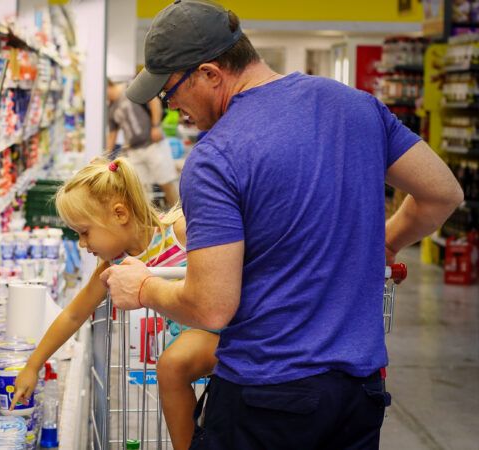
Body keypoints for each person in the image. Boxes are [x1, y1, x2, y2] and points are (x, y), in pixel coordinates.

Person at [101, 2, 464, 449]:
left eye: (169, 91)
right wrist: (387, 242)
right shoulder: (357, 107)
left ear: (210, 74)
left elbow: (211, 307)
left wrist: (143, 288)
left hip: (266, 399)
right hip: (358, 396)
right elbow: (442, 193)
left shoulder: (216, 157)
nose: (171, 106)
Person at [10, 157, 217, 449]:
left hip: (222, 330)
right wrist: (33, 365)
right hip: (193, 339)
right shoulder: (114, 265)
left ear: (119, 214)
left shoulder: (180, 232)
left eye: (84, 232)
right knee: (174, 368)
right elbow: (74, 315)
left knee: (172, 367)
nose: (82, 244)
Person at [107, 79, 180, 205]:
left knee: (166, 183)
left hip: (153, 144)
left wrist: (156, 126)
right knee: (140, 190)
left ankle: (179, 213)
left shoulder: (130, 88)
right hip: (134, 150)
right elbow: (112, 134)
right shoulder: (111, 108)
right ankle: (148, 216)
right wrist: (105, 157)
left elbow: (154, 101)